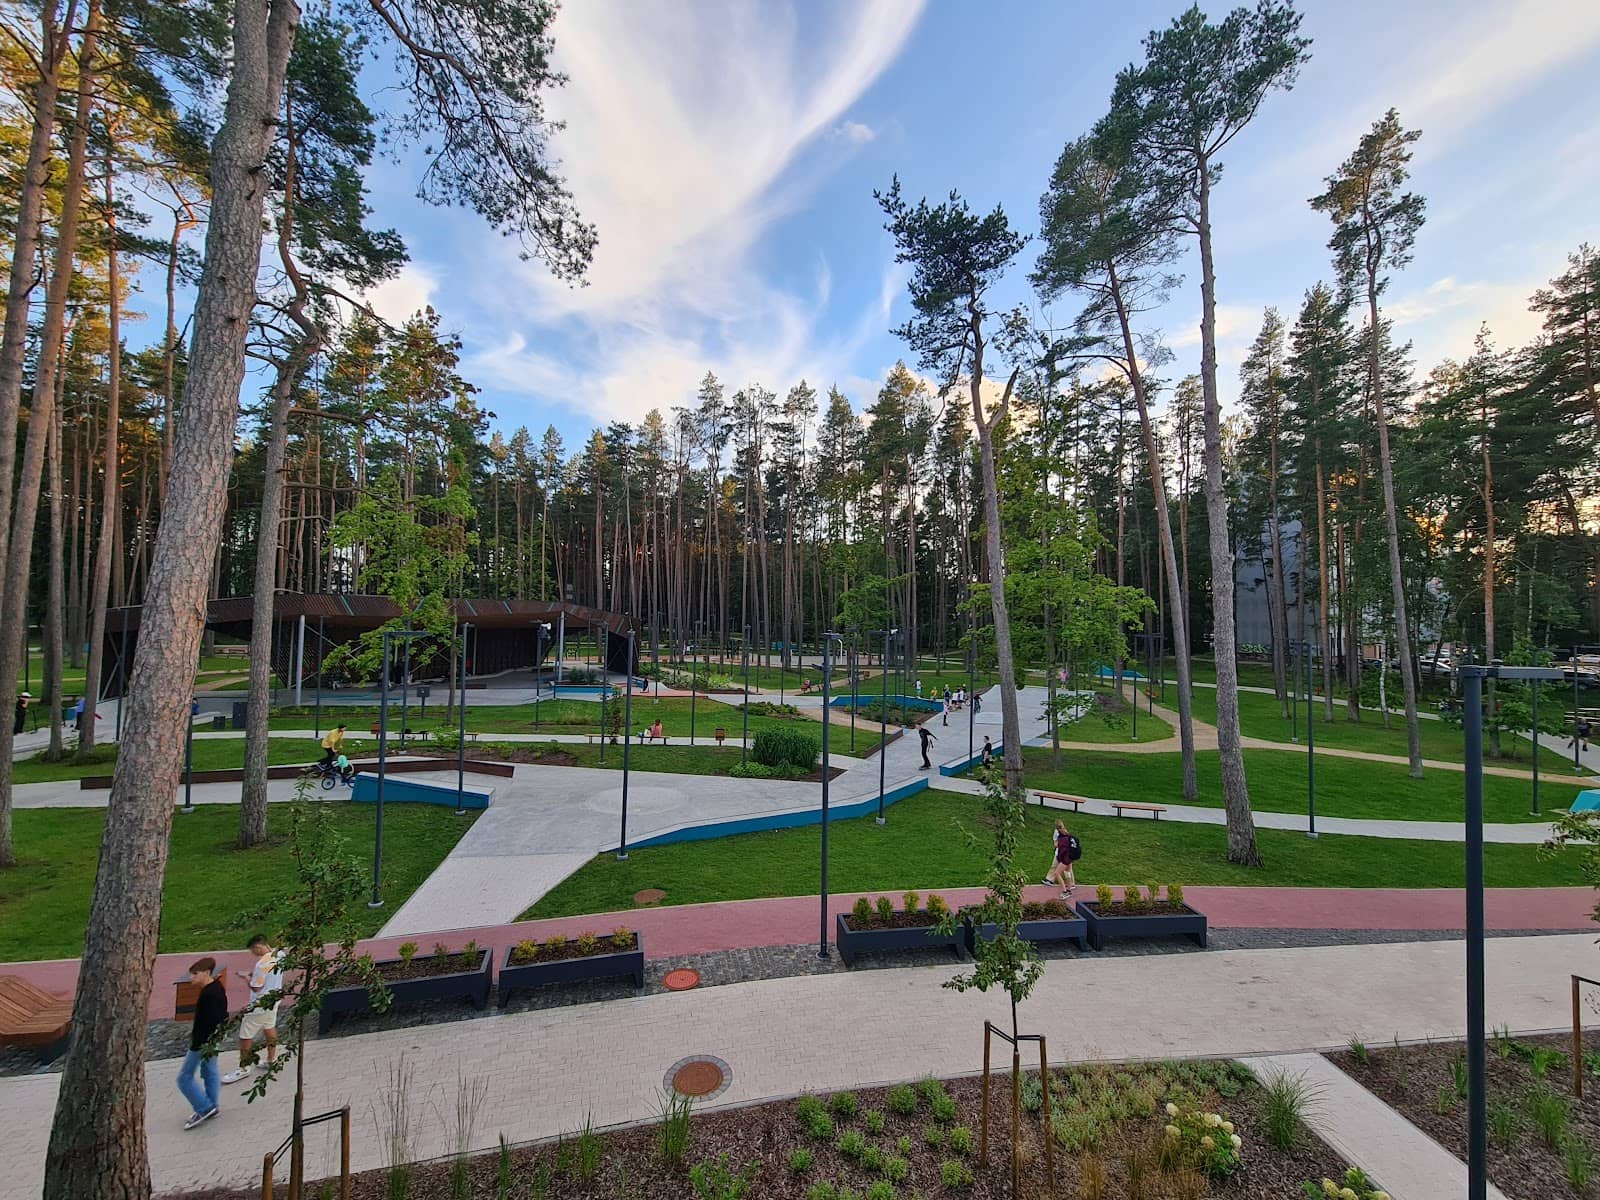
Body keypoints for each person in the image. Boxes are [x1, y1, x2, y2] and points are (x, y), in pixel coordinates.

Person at [222, 937, 283, 1086]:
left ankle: (244, 1068)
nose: (253, 954)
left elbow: (256, 987)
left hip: (260, 1004)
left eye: (252, 950)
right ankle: (271, 1059)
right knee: (269, 1027)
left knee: (245, 1035)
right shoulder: (280, 954)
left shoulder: (262, 964)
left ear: (258, 947)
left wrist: (246, 977)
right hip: (274, 999)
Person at [178, 957, 226, 1129]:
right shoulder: (217, 988)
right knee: (209, 1072)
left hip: (202, 1042)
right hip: (213, 1040)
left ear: (206, 973)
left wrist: (200, 1042)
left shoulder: (208, 994)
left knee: (184, 1078)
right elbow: (222, 1017)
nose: (191, 978)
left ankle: (204, 1107)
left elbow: (210, 1020)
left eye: (195, 974)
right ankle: (212, 1107)